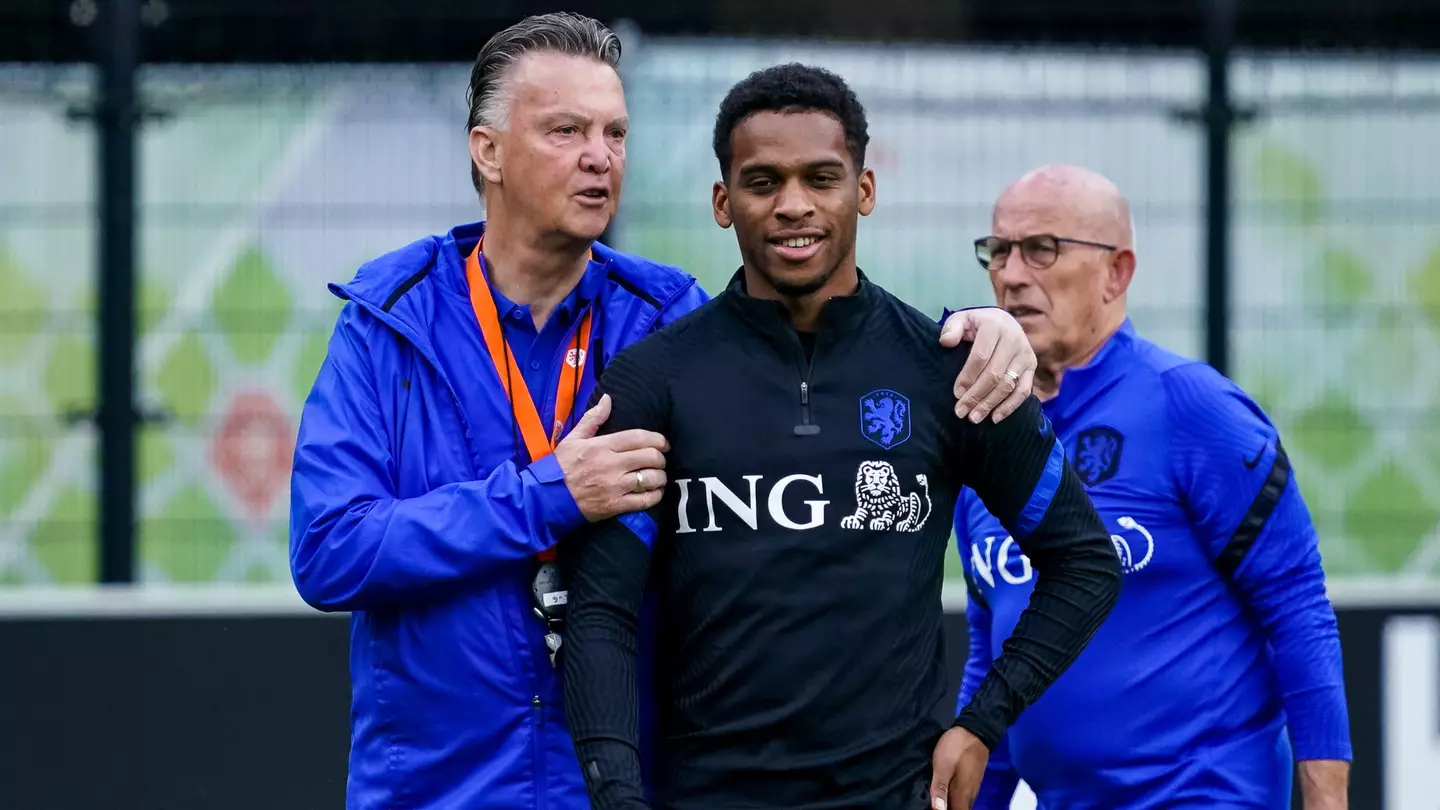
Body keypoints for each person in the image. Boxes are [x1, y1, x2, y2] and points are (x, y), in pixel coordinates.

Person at [288, 14, 1041, 810]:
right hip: (439, 789)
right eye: (566, 130)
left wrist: (978, 332)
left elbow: (827, 336)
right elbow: (331, 550)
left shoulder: (665, 313)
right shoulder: (389, 323)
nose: (599, 156)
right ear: (488, 151)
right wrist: (548, 494)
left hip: (627, 788)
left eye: (615, 132)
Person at [559, 63, 1123, 810]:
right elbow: (599, 610)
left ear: (863, 190)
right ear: (724, 203)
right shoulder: (654, 381)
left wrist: (983, 722)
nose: (794, 205)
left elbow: (1085, 563)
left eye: (821, 178)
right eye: (763, 183)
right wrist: (616, 793)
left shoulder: (953, 372)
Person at [956, 164, 1352, 809]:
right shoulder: (985, 434)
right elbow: (992, 649)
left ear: (1117, 272)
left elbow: (1297, 606)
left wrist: (1327, 803)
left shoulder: (1192, 408)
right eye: (998, 251)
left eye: (1042, 249)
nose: (1012, 274)